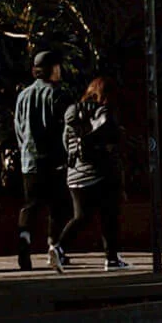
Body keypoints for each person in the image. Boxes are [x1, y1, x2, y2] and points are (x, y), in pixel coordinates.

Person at [13, 51, 74, 272]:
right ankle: (54, 246)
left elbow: (18, 127)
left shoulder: (23, 95)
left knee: (31, 205)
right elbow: (67, 128)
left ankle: (25, 237)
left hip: (29, 160)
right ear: (52, 69)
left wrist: (24, 150)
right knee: (59, 206)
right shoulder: (58, 95)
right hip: (54, 160)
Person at [60, 76, 128, 270]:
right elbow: (113, 144)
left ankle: (58, 248)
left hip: (75, 176)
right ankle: (112, 259)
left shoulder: (72, 113)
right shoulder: (104, 112)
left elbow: (66, 144)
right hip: (99, 174)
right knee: (109, 215)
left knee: (81, 217)